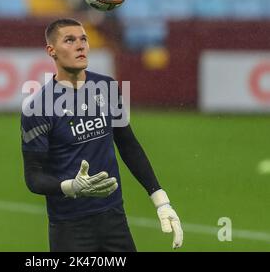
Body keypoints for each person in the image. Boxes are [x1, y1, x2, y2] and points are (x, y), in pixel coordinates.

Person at [21, 18, 183, 252]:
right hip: (69, 228)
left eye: (83, 39)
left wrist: (161, 201)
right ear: (51, 51)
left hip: (114, 219)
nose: (80, 45)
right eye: (70, 40)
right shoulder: (38, 107)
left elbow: (128, 145)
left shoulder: (106, 88)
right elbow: (33, 177)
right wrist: (71, 187)